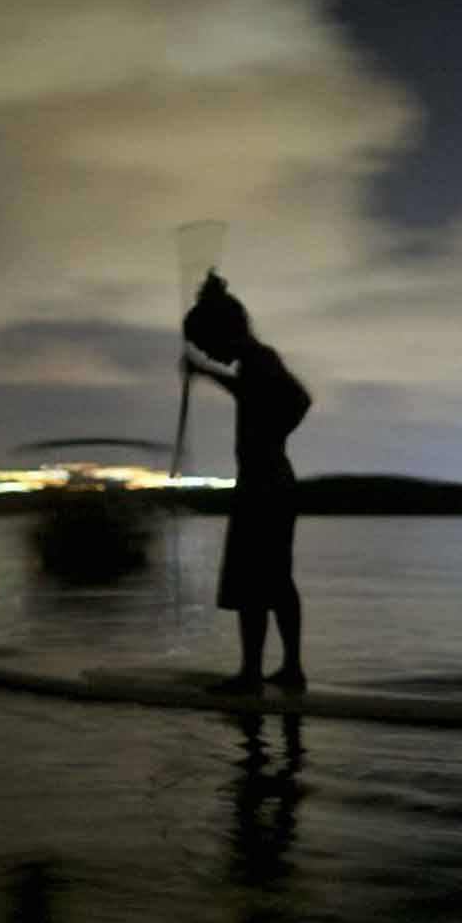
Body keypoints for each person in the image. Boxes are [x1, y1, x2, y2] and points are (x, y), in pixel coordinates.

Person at [182, 271, 312, 692]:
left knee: (256, 581)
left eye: (206, 344)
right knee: (273, 578)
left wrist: (272, 435)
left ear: (223, 331)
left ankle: (254, 676)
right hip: (269, 482)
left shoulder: (260, 359)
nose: (207, 351)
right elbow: (248, 390)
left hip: (265, 484)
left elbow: (298, 400)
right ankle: (286, 670)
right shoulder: (256, 363)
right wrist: (205, 372)